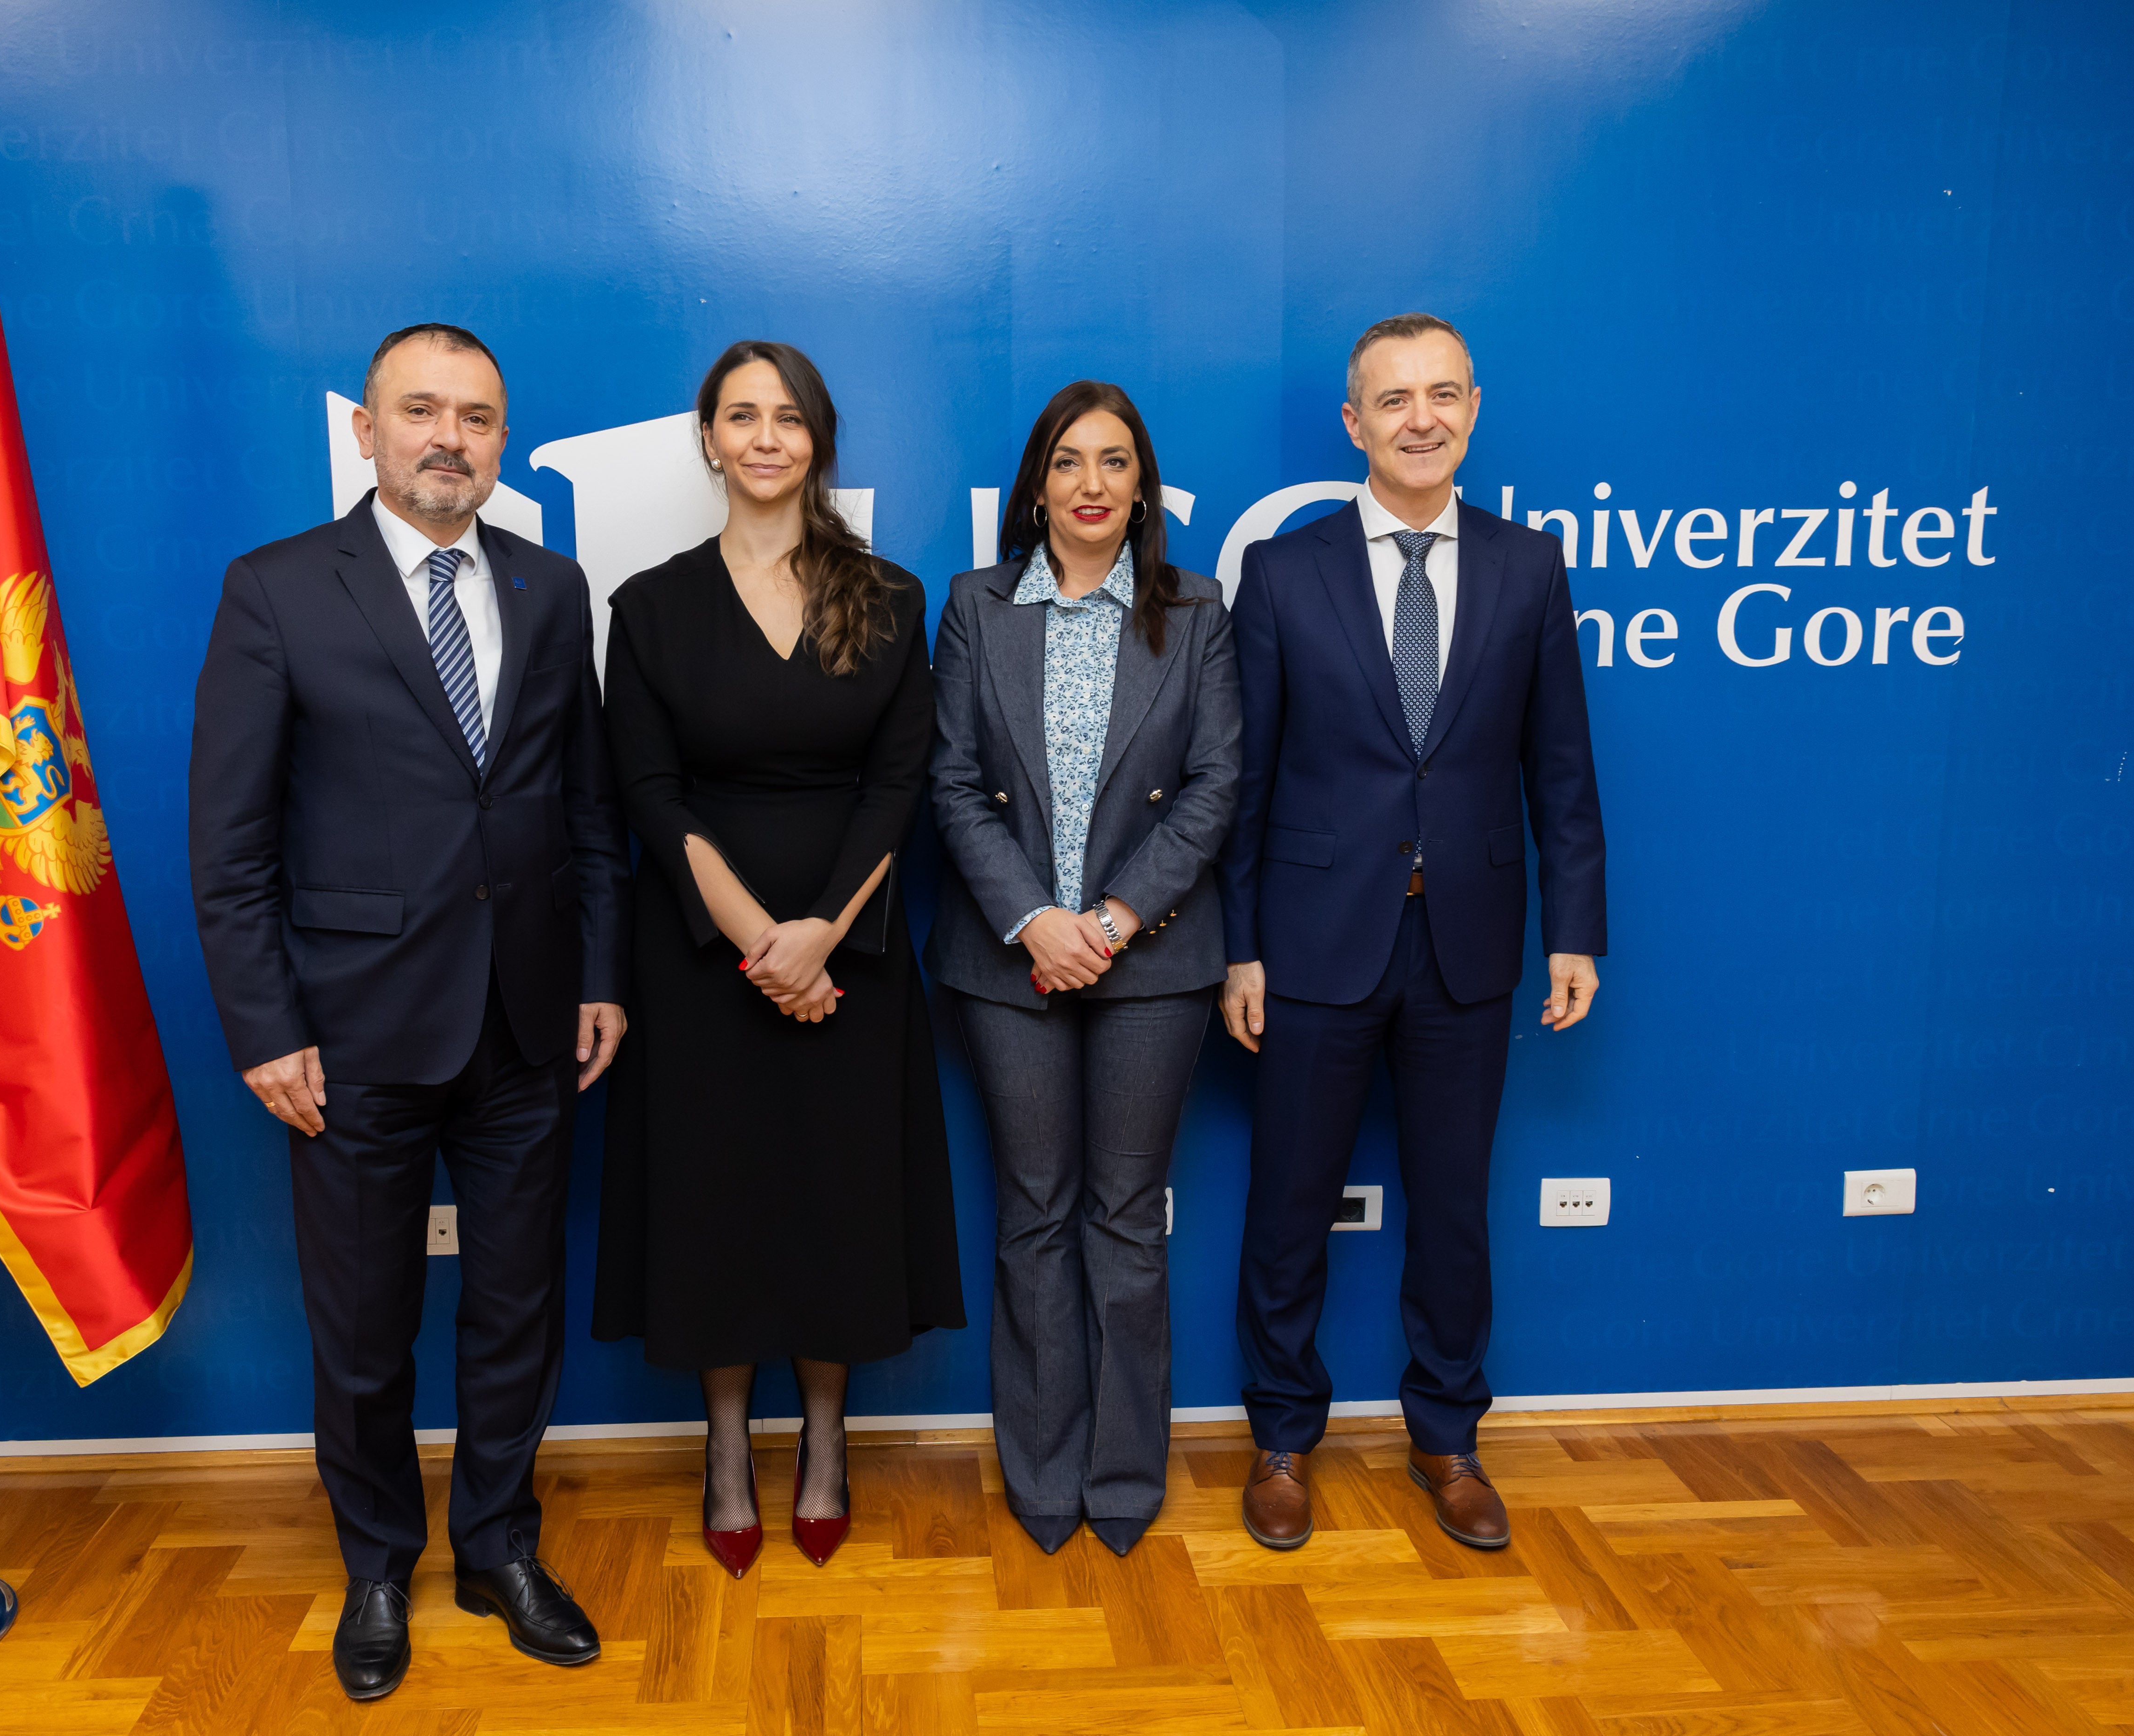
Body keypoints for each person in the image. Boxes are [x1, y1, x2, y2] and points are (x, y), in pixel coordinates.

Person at [189, 324, 629, 1698]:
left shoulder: (552, 588)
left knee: (516, 1312)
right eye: (422, 411)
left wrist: (601, 974)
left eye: (477, 417)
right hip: (351, 1036)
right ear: (366, 432)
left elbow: (587, 808)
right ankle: (377, 1565)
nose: (450, 438)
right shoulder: (275, 590)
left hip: (527, 1024)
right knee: (365, 1326)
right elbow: (229, 844)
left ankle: (498, 1548)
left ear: (502, 441)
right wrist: (265, 1027)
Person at [1219, 314, 1606, 1554]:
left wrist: (1574, 931)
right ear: (1354, 424)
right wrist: (1239, 946)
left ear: (1472, 410)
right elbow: (1244, 782)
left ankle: (1445, 1436)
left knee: (1451, 1209)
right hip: (1310, 942)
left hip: (1469, 945)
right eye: (1392, 400)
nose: (1419, 418)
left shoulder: (1527, 567)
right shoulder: (1282, 573)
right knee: (1288, 1205)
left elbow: (1560, 768)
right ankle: (1282, 1438)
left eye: (1441, 394)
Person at [592, 340, 963, 1579]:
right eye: (741, 416)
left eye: (787, 418)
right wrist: (758, 940)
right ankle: (721, 1445)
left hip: (848, 951)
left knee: (834, 1199)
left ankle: (823, 1439)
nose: (764, 437)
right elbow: (647, 792)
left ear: (817, 441)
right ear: (707, 438)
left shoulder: (888, 595)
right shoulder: (649, 606)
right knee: (715, 1199)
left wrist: (817, 938)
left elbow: (898, 783)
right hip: (702, 954)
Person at [927, 381, 1239, 1557]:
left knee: (1124, 1219)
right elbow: (951, 782)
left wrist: (1106, 921)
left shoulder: (1195, 609)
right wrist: (1033, 920)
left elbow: (1213, 784)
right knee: (1033, 1216)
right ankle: (1042, 1474)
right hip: (1009, 962)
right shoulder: (975, 606)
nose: (1091, 483)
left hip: (1150, 961)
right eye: (1068, 461)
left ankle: (1122, 1477)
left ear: (1141, 487)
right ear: (1037, 486)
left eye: (1114, 461)